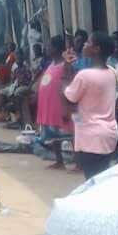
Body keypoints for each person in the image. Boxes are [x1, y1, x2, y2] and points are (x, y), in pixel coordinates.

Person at [60, 31, 118, 179]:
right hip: (108, 133)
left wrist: (66, 67)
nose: (84, 45)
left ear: (96, 49)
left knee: (92, 181)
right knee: (101, 179)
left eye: (88, 43)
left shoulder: (84, 75)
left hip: (91, 136)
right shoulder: (111, 73)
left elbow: (67, 95)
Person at [35, 35, 73, 170]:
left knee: (70, 134)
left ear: (56, 49)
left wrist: (67, 107)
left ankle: (79, 164)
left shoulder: (66, 64)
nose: (47, 48)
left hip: (60, 105)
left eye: (49, 46)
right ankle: (59, 161)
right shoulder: (51, 63)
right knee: (54, 135)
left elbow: (68, 84)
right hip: (49, 106)